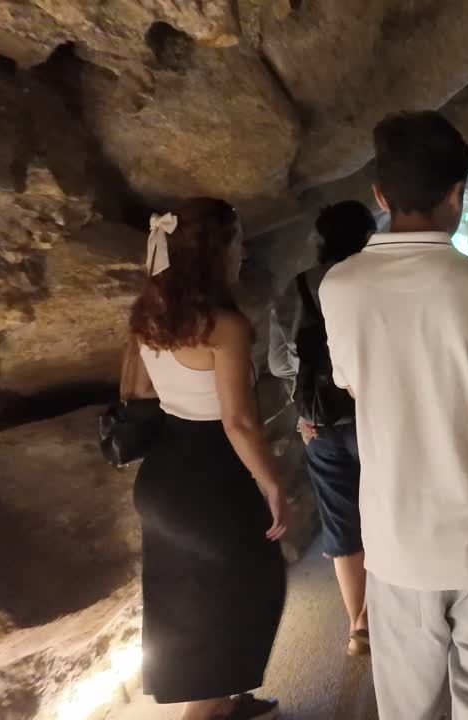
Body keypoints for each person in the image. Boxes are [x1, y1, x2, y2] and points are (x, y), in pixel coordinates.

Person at [319, 111, 468, 720]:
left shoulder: (339, 287)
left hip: (397, 542)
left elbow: (354, 384)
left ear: (380, 195)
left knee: (407, 709)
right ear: (457, 194)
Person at [129, 199, 288, 720]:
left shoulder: (148, 313)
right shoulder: (224, 325)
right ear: (217, 252)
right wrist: (271, 483)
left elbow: (136, 391)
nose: (243, 250)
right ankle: (210, 706)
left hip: (163, 476)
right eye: (238, 239)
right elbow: (238, 422)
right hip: (212, 480)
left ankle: (230, 699)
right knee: (242, 595)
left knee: (192, 604)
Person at [267, 201, 377, 656]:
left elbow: (277, 362)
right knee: (387, 513)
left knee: (341, 521)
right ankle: (400, 609)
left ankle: (359, 624)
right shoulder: (374, 279)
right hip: (375, 417)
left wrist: (311, 376)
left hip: (321, 424)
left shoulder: (296, 290)